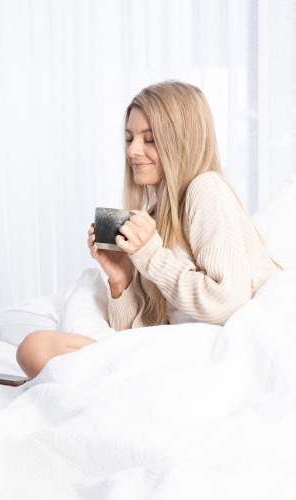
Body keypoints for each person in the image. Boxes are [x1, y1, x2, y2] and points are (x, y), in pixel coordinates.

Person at [16, 80, 280, 379]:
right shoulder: (154, 213)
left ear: (181, 141)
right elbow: (138, 334)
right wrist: (122, 278)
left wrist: (151, 255)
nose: (132, 150)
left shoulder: (207, 188)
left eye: (149, 139)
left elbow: (226, 302)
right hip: (175, 354)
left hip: (215, 355)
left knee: (36, 348)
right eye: (129, 138)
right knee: (35, 349)